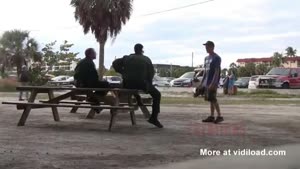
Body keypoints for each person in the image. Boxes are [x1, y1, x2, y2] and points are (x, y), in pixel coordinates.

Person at [112, 44, 163, 128]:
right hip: (141, 84)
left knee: (132, 87)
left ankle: (138, 98)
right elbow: (151, 73)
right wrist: (149, 84)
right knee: (157, 94)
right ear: (142, 50)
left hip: (127, 84)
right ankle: (154, 117)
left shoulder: (127, 58)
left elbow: (115, 63)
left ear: (134, 49)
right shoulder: (146, 59)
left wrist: (122, 72)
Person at [200, 41, 224, 124]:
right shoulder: (206, 58)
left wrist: (213, 83)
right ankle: (212, 116)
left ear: (212, 47)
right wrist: (201, 83)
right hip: (207, 82)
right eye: (205, 47)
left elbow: (217, 71)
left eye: (208, 46)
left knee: (213, 99)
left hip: (212, 82)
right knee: (210, 99)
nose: (206, 48)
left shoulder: (216, 58)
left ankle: (220, 116)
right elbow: (205, 72)